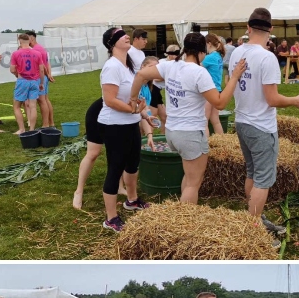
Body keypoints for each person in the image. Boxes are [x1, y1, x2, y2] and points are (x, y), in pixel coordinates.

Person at [130, 33, 245, 205]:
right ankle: (185, 221)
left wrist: (132, 99)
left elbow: (140, 75)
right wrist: (234, 77)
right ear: (202, 51)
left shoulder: (170, 66)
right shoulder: (200, 73)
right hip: (190, 134)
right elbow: (220, 103)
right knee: (193, 183)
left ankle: (182, 214)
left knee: (189, 176)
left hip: (172, 133)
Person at [226, 8, 299, 233]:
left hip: (242, 121)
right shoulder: (266, 57)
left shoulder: (236, 53)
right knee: (262, 179)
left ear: (248, 27)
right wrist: (295, 100)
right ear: (270, 29)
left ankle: (256, 220)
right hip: (261, 125)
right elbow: (271, 99)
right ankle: (254, 229)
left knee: (252, 173)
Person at [96, 28, 153, 233]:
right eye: (121, 35)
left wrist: (140, 107)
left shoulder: (127, 65)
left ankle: (132, 200)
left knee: (132, 164)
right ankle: (111, 218)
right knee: (116, 168)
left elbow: (130, 94)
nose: (127, 36)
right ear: (112, 42)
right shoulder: (112, 67)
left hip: (130, 122)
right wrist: (132, 109)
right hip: (114, 126)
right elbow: (110, 100)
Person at [8, 33, 43, 135]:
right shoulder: (37, 53)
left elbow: (12, 69)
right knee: (33, 106)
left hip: (22, 81)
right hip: (34, 81)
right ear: (29, 41)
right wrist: (41, 83)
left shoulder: (16, 54)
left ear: (20, 41)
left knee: (17, 106)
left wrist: (17, 74)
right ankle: (32, 129)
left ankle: (22, 129)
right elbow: (41, 70)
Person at [26, 31, 55, 128]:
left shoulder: (36, 50)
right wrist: (49, 75)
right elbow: (47, 64)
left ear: (31, 38)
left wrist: (47, 75)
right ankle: (51, 122)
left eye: (26, 39)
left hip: (40, 77)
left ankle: (46, 124)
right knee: (45, 100)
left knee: (42, 101)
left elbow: (42, 66)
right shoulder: (41, 48)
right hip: (44, 77)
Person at [202, 34, 227, 136]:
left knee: (204, 121)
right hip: (217, 89)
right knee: (215, 120)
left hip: (209, 91)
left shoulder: (209, 57)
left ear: (209, 44)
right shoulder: (218, 56)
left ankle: (206, 145)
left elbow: (195, 67)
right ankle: (221, 142)